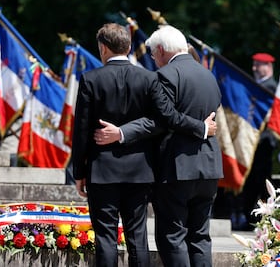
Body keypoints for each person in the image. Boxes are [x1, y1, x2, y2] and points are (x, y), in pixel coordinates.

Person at [71, 23, 217, 267]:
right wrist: (201, 128)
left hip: (102, 170)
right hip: (140, 171)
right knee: (138, 237)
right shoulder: (150, 78)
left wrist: (79, 171)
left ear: (102, 48)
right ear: (129, 47)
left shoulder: (90, 79)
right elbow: (163, 118)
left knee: (106, 238)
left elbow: (81, 130)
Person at [231, 52, 279, 231]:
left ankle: (258, 218)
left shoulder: (271, 88)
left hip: (263, 142)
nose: (254, 68)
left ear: (268, 67)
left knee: (260, 181)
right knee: (250, 180)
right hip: (251, 142)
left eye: (258, 65)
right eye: (254, 64)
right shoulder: (255, 86)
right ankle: (249, 216)